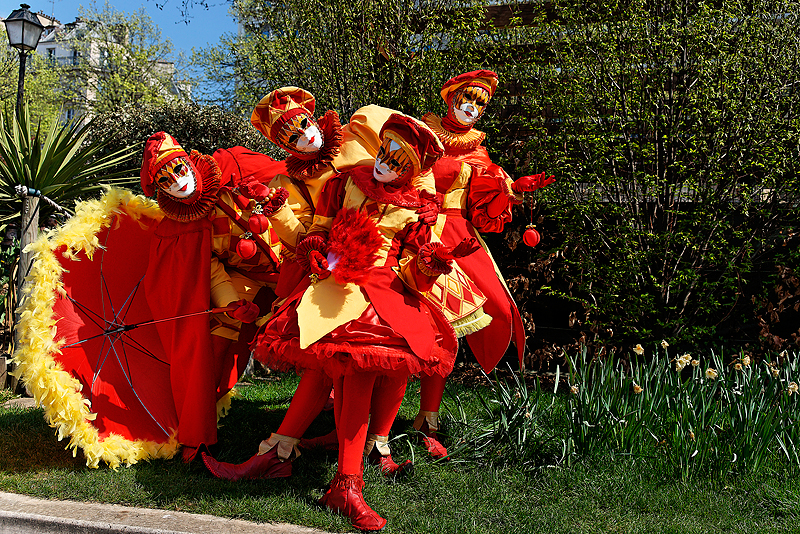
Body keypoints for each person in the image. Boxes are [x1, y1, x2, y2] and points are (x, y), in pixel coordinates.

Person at [204, 114, 476, 531]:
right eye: (384, 150)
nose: (386, 161)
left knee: (354, 368)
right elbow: (318, 232)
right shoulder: (345, 181)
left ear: (413, 171)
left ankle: (320, 472)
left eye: (399, 160)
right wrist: (312, 245)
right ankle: (306, 467)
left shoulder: (420, 210)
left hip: (383, 293)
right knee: (330, 366)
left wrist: (431, 263)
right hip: (336, 283)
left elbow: (409, 271)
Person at [415, 70, 555, 459]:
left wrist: (511, 187)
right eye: (466, 99)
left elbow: (485, 198)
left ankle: (428, 418)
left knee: (460, 319)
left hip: (457, 237)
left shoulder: (478, 150)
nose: (471, 108)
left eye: (479, 104)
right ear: (450, 99)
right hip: (413, 228)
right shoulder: (421, 131)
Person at [139, 132, 286, 462]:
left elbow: (292, 191)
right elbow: (211, 270)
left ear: (188, 163)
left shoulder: (233, 171)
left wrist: (267, 200)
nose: (177, 182)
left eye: (178, 169)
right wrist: (232, 304)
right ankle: (200, 433)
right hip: (251, 280)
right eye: (165, 181)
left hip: (300, 264)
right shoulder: (182, 224)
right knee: (213, 340)